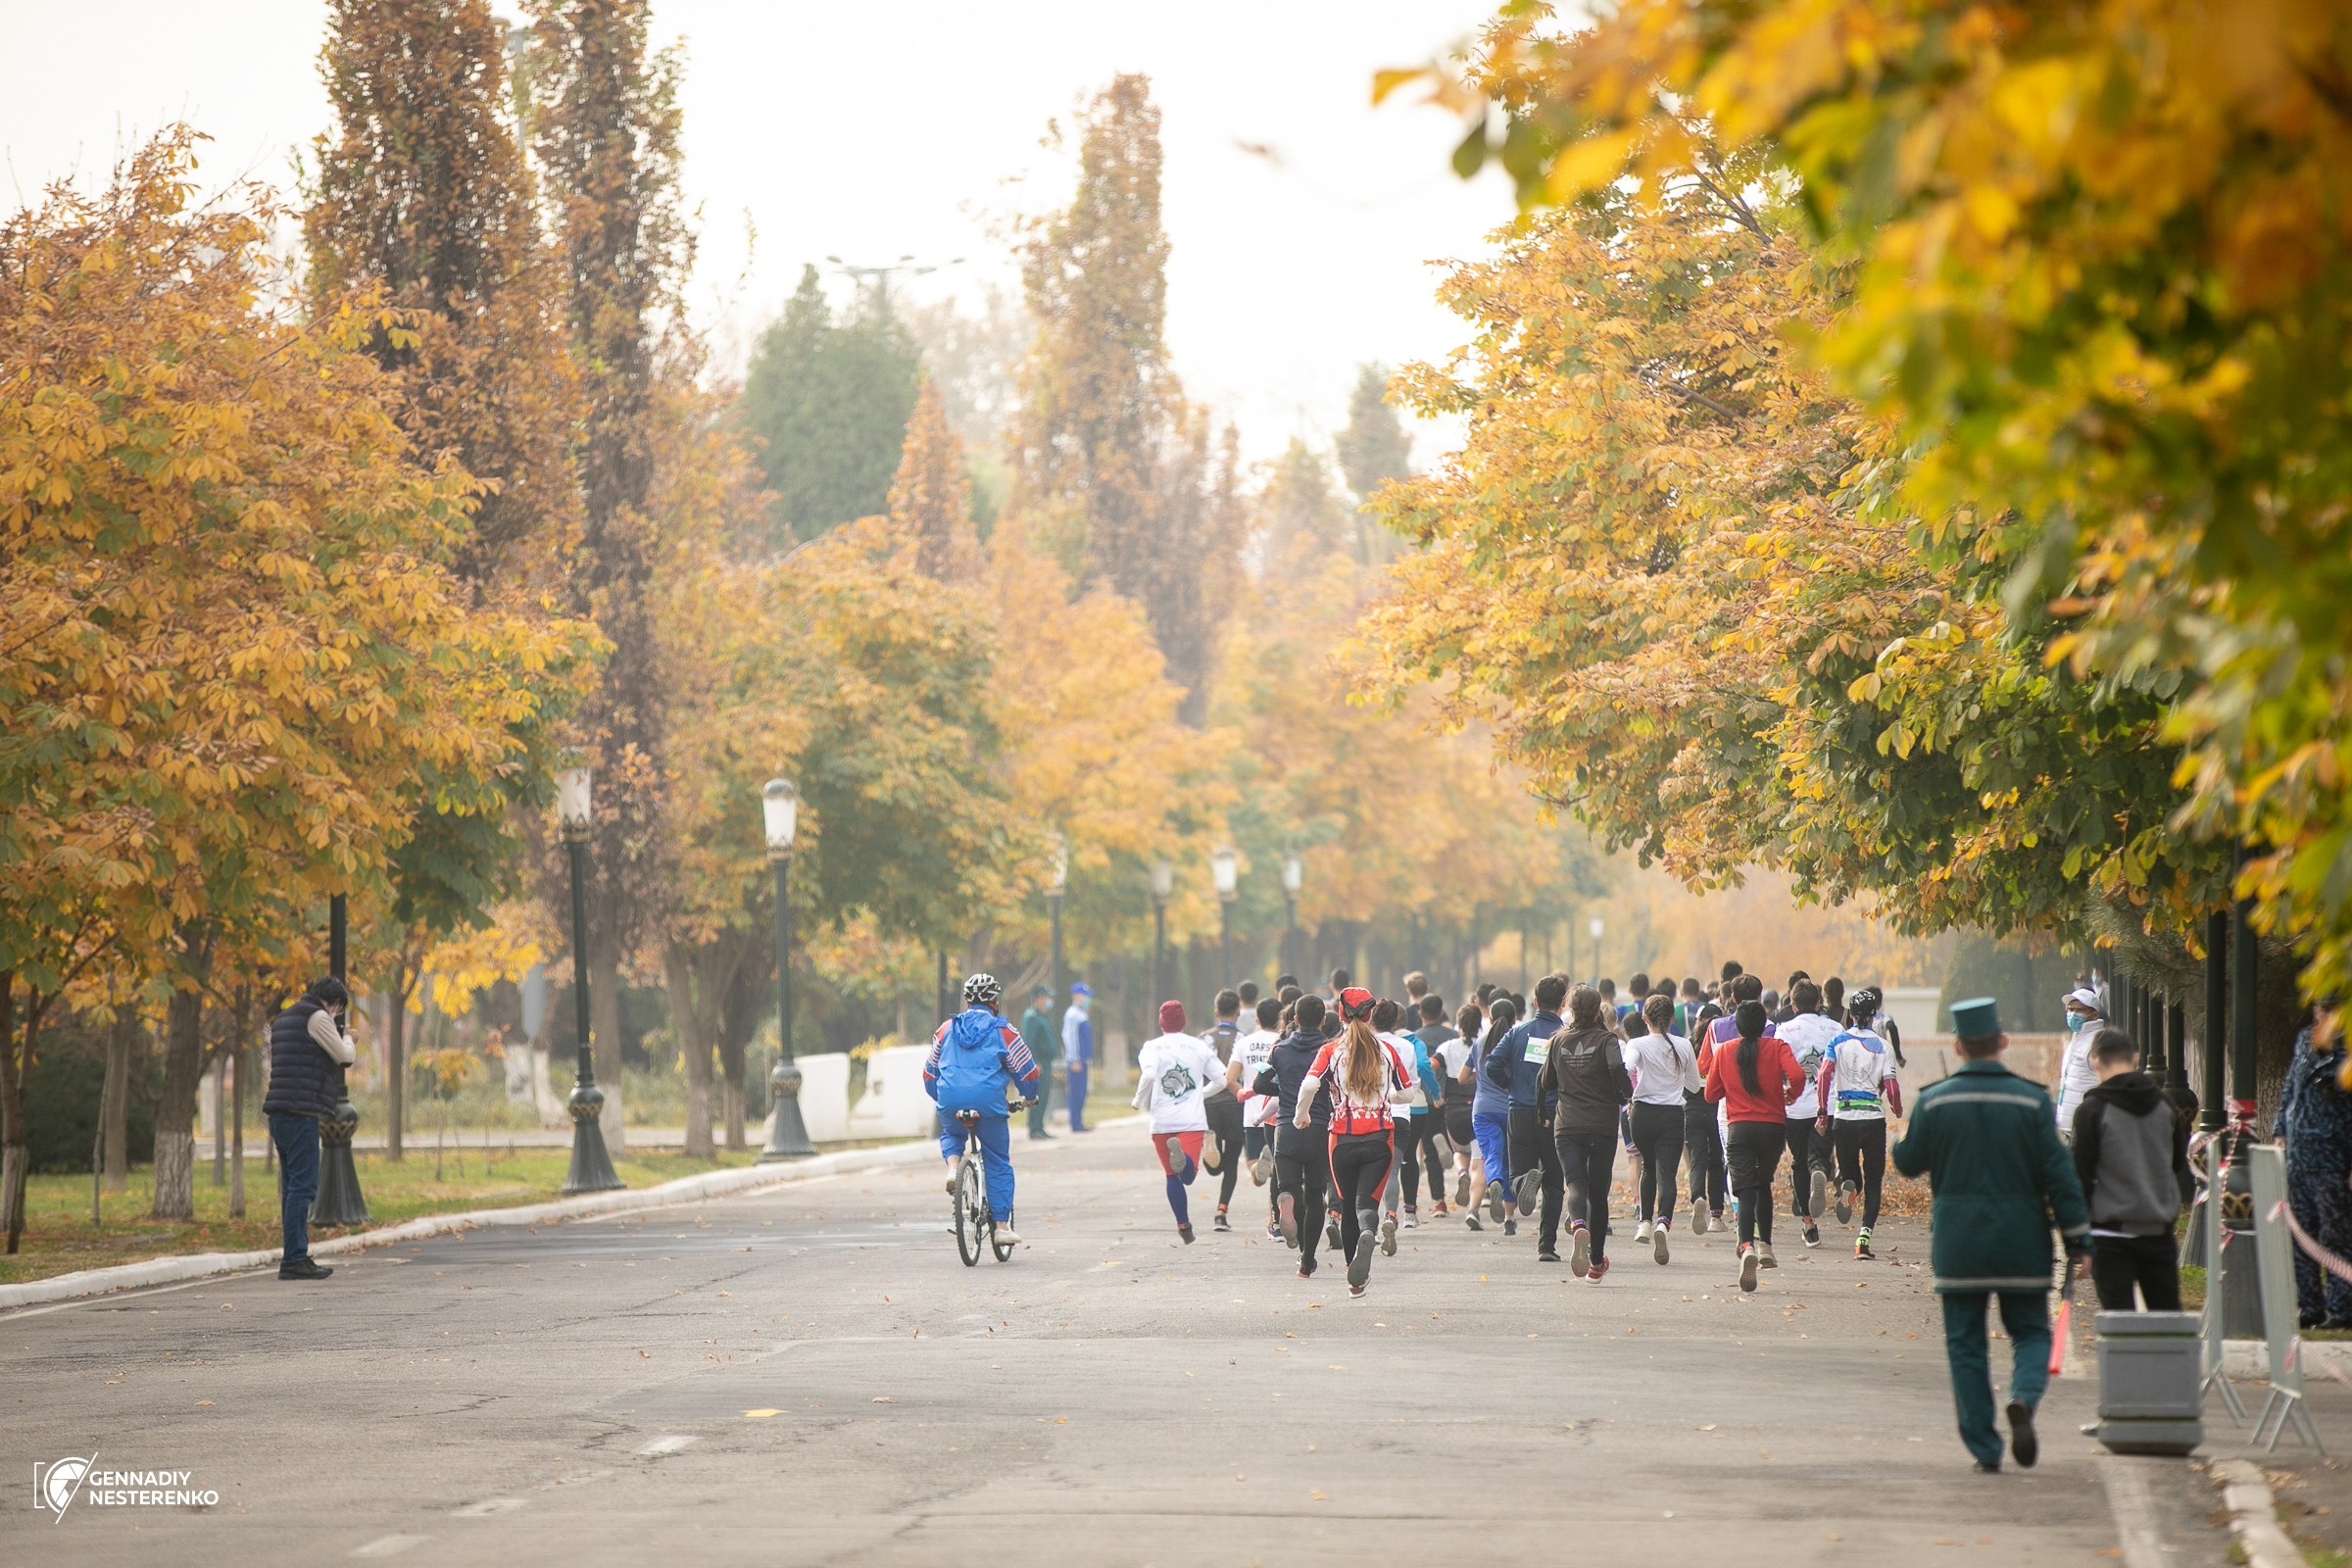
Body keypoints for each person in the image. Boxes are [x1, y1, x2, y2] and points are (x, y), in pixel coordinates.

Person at [1891, 997, 2091, 1474]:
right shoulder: (2032, 1101)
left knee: (1965, 1343)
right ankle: (2022, 1397)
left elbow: (1908, 1162)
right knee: (2029, 1333)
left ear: (1958, 1046)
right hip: (2023, 1241)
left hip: (1958, 1245)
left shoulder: (1935, 1100)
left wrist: (1902, 1133)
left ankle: (1985, 1447)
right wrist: (2080, 1240)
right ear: (2001, 1042)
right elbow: (2060, 1177)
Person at [1295, 988, 1418, 1297]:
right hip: (1380, 1137)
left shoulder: (1331, 1050)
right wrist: (1388, 1095)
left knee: (1347, 1204)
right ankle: (1368, 1231)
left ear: (1340, 1014)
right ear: (1369, 1014)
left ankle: (1355, 1279)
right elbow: (1407, 1093)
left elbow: (1310, 1083)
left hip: (1341, 1139)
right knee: (1367, 1203)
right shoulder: (1387, 1050)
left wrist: (1302, 1115)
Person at [2071, 1027, 2190, 1311]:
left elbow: (2081, 1179)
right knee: (2167, 1324)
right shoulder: (2165, 1105)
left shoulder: (2091, 1110)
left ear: (2095, 1061)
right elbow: (2176, 1162)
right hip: (2157, 1232)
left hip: (2109, 1236)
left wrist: (2078, 1240)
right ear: (2135, 1058)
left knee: (2119, 1330)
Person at [924, 973, 1043, 1246]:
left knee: (952, 1133)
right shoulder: (1004, 1031)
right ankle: (1001, 1227)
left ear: (967, 1001)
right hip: (989, 1103)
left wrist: (942, 1098)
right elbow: (1026, 1071)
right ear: (994, 1002)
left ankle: (953, 1168)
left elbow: (929, 1073)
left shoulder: (945, 1029)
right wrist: (1030, 1097)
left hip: (950, 1099)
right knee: (997, 1160)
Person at [1706, 999, 1805, 1294]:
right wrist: (1791, 1094)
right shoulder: (1776, 1047)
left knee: (1745, 1189)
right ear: (1764, 1025)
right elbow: (1798, 1075)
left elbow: (1711, 1094)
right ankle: (1766, 1246)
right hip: (1773, 1128)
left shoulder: (1724, 1051)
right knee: (1763, 1184)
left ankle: (1746, 1244)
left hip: (1739, 1129)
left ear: (1736, 1025)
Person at [263, 976, 357, 1281]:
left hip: (279, 1111)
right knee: (303, 1188)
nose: (335, 1016)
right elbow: (344, 1057)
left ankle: (294, 1256)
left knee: (292, 1188)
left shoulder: (284, 1018)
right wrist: (349, 1038)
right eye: (337, 1011)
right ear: (333, 1003)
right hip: (301, 1113)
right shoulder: (317, 1017)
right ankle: (294, 1259)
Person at [1539, 984, 1635, 1280]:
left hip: (1567, 1125)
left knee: (1575, 1183)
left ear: (1570, 1006)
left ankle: (1578, 1223)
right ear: (1597, 1010)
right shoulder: (1607, 1040)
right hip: (1602, 1124)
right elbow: (1618, 1071)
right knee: (1598, 1191)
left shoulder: (1558, 1041)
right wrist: (1624, 1094)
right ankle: (1595, 1262)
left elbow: (1546, 1083)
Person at [1816, 986, 1905, 1258]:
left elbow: (1824, 1076)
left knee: (1852, 1175)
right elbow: (1891, 1085)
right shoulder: (1883, 1046)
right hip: (1872, 1120)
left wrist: (1822, 1112)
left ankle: (1849, 1189)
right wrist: (1897, 1108)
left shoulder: (1837, 1042)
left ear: (1851, 1014)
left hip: (1843, 1119)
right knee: (1874, 1181)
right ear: (1873, 1014)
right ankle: (1863, 1240)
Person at [1486, 974, 1570, 1261]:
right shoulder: (1565, 1035)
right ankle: (1547, 1245)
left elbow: (1492, 1065)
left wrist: (1510, 1085)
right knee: (1554, 1182)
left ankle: (1523, 1185)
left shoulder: (1516, 1033)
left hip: (1519, 1110)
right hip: (1555, 1113)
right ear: (1563, 1003)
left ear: (1535, 1001)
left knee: (1516, 1172)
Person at [1254, 993, 1336, 1278]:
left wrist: (1287, 1089)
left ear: (1295, 1019)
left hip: (1286, 1129)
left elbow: (1259, 1083)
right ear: (1324, 1021)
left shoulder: (1278, 1050)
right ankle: (1307, 1259)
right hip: (1318, 1130)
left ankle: (1285, 1202)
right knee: (1315, 1196)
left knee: (1290, 1191)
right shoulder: (1331, 1050)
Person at [1134, 1000, 1226, 1243]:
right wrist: (1200, 1094)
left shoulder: (1151, 1047)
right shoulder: (1198, 1046)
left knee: (1171, 1176)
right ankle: (1183, 1159)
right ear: (1183, 1021)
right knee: (1188, 1175)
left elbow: (1150, 1074)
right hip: (1191, 1121)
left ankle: (1184, 1226)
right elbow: (1221, 1080)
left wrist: (1138, 1100)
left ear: (1160, 1022)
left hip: (1162, 1123)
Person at [2280, 1020, 2352, 1327]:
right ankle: (2309, 1306)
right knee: (2301, 1235)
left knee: (2336, 1238)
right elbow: (2290, 1088)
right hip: (2299, 1158)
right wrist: (2279, 1128)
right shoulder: (2305, 1040)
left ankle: (2341, 1309)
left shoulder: (2346, 1048)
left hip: (2333, 1159)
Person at [1626, 993, 1699, 1263]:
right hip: (1671, 1115)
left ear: (1644, 1018)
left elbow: (1626, 1067)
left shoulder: (1637, 1043)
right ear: (1671, 1019)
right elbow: (1693, 1084)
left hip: (1642, 1114)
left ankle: (1644, 1222)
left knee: (1647, 1166)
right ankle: (1662, 1223)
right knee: (1666, 1173)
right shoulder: (1683, 1045)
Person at [1776, 979, 1841, 1247]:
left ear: (1792, 1005)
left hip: (1794, 1107)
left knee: (1798, 1162)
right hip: (1828, 1104)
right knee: (1821, 1153)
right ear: (1818, 1003)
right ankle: (1821, 1171)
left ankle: (1808, 1225)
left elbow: (1779, 1068)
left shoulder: (1784, 1030)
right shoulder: (1836, 1028)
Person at [1229, 997, 1285, 1237]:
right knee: (1281, 1175)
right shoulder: (1282, 1041)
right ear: (1280, 1019)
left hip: (1252, 1114)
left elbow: (1230, 1078)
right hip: (1277, 1113)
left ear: (1257, 1019)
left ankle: (1259, 1169)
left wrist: (1241, 1093)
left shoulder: (1244, 1042)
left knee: (1255, 1169)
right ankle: (1276, 1222)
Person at [1199, 989, 1248, 1231]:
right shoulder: (1244, 1040)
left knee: (1214, 1166)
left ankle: (1210, 1149)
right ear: (1238, 1013)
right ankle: (1221, 1211)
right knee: (1231, 1162)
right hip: (1235, 1104)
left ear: (1216, 1012)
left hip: (1209, 1105)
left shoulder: (1203, 1039)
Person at [1470, 997, 1518, 1230]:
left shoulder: (1479, 1044)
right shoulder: (1518, 1042)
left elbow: (1462, 1075)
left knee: (1491, 1154)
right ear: (1515, 1018)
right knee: (1511, 1161)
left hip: (1483, 1110)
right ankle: (1509, 1219)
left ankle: (1494, 1181)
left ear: (1489, 1018)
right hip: (1511, 1109)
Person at [2053, 985, 2107, 1137]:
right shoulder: (2077, 1038)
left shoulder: (2098, 1040)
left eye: (2079, 1010)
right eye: (2070, 1009)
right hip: (2069, 1125)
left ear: (2094, 1014)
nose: (2073, 1014)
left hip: (2086, 1126)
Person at [1018, 984, 1057, 1141]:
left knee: (1044, 1095)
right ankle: (1034, 1128)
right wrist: (1034, 1061)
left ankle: (1040, 1126)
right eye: (1047, 997)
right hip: (1038, 1063)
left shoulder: (1042, 1016)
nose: (1049, 1000)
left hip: (1046, 1062)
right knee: (1036, 1095)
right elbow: (1029, 1041)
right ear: (1039, 998)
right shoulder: (1031, 1017)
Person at [1062, 982, 1096, 1133]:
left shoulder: (1082, 1013)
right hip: (1077, 1060)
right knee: (1076, 1091)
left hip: (1083, 1059)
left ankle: (1079, 1120)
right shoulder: (1073, 1014)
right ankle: (1075, 1122)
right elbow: (1070, 1038)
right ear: (1076, 995)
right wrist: (1074, 1058)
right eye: (1085, 995)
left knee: (1082, 1092)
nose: (1087, 998)